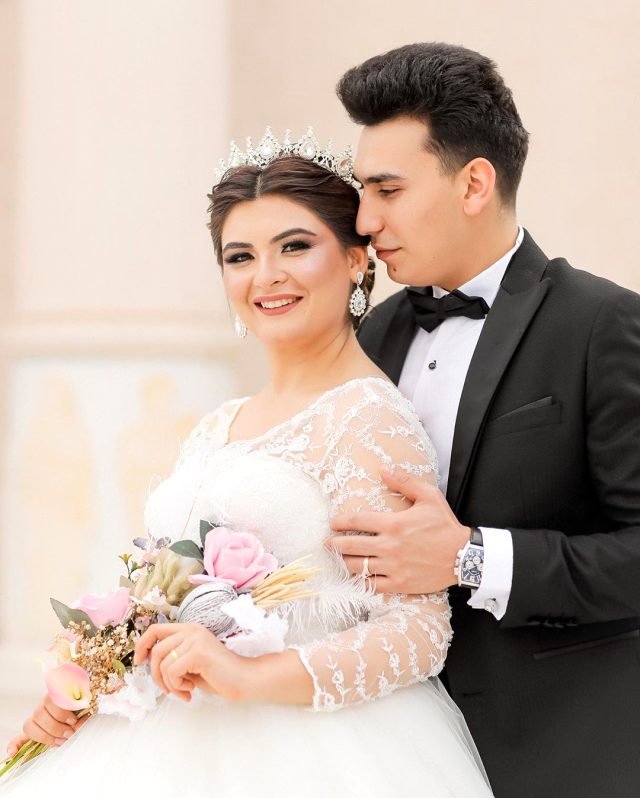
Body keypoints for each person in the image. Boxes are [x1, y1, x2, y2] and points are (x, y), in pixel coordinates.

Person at [2, 132, 493, 797]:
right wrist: (89, 682)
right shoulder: (217, 424)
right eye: (241, 256)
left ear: (355, 260)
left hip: (312, 755)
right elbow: (162, 598)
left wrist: (250, 675)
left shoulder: (367, 419)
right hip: (161, 744)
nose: (266, 276)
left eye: (294, 246)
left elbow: (418, 630)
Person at [327, 42, 640, 798]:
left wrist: (473, 558)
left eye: (388, 189)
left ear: (474, 183)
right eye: (363, 190)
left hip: (556, 755)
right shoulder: (373, 333)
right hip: (388, 750)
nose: (365, 219)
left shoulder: (602, 324)